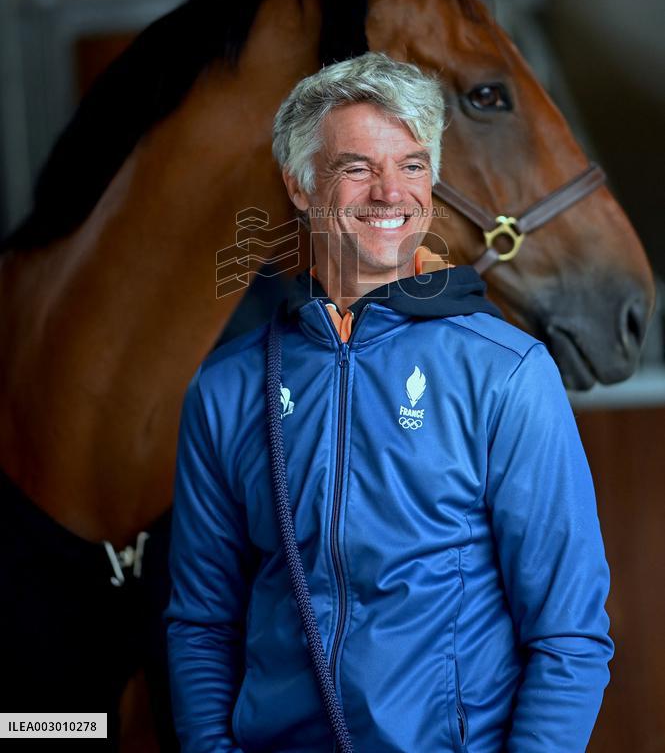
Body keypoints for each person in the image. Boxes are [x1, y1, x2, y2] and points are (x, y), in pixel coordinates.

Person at [165, 52, 613, 752]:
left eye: (411, 165)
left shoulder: (506, 373)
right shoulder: (227, 388)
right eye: (357, 167)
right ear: (300, 183)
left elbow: (569, 635)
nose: (390, 192)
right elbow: (201, 622)